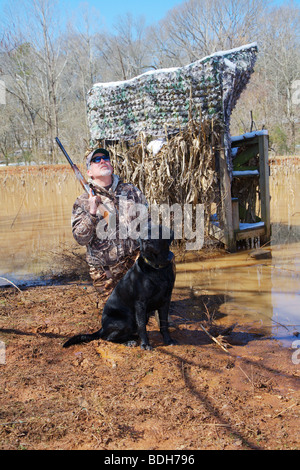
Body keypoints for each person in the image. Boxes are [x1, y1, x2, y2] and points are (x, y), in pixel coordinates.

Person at [71, 147, 148, 296]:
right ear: (89, 172)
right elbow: (80, 238)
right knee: (116, 316)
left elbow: (147, 224)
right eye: (96, 160)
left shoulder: (131, 191)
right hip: (106, 273)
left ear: (111, 166)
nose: (102, 161)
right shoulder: (82, 201)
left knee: (144, 313)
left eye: (105, 158)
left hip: (135, 265)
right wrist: (92, 212)